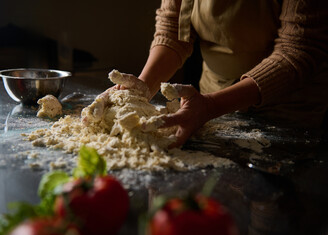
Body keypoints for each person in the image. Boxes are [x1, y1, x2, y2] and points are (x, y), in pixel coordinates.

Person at [100, 0, 328, 148]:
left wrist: (210, 106)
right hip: (208, 105)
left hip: (286, 110)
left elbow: (298, 49)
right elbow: (173, 31)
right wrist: (141, 89)